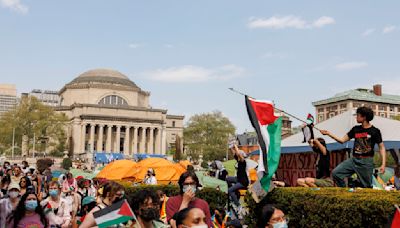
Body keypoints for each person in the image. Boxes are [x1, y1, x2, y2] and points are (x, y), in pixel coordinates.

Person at [321, 107, 386, 188]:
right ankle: (345, 192)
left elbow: (382, 147)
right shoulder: (355, 129)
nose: (356, 117)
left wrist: (383, 164)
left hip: (366, 162)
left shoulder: (375, 131)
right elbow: (342, 140)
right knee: (336, 173)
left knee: (366, 186)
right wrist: (328, 133)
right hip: (354, 160)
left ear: (364, 117)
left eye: (358, 115)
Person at [226, 144, 249, 212]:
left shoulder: (243, 161)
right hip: (238, 179)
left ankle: (238, 205)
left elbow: (238, 153)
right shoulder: (238, 160)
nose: (236, 155)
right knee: (227, 178)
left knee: (230, 190)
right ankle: (235, 193)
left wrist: (235, 146)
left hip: (243, 182)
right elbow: (234, 153)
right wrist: (231, 147)